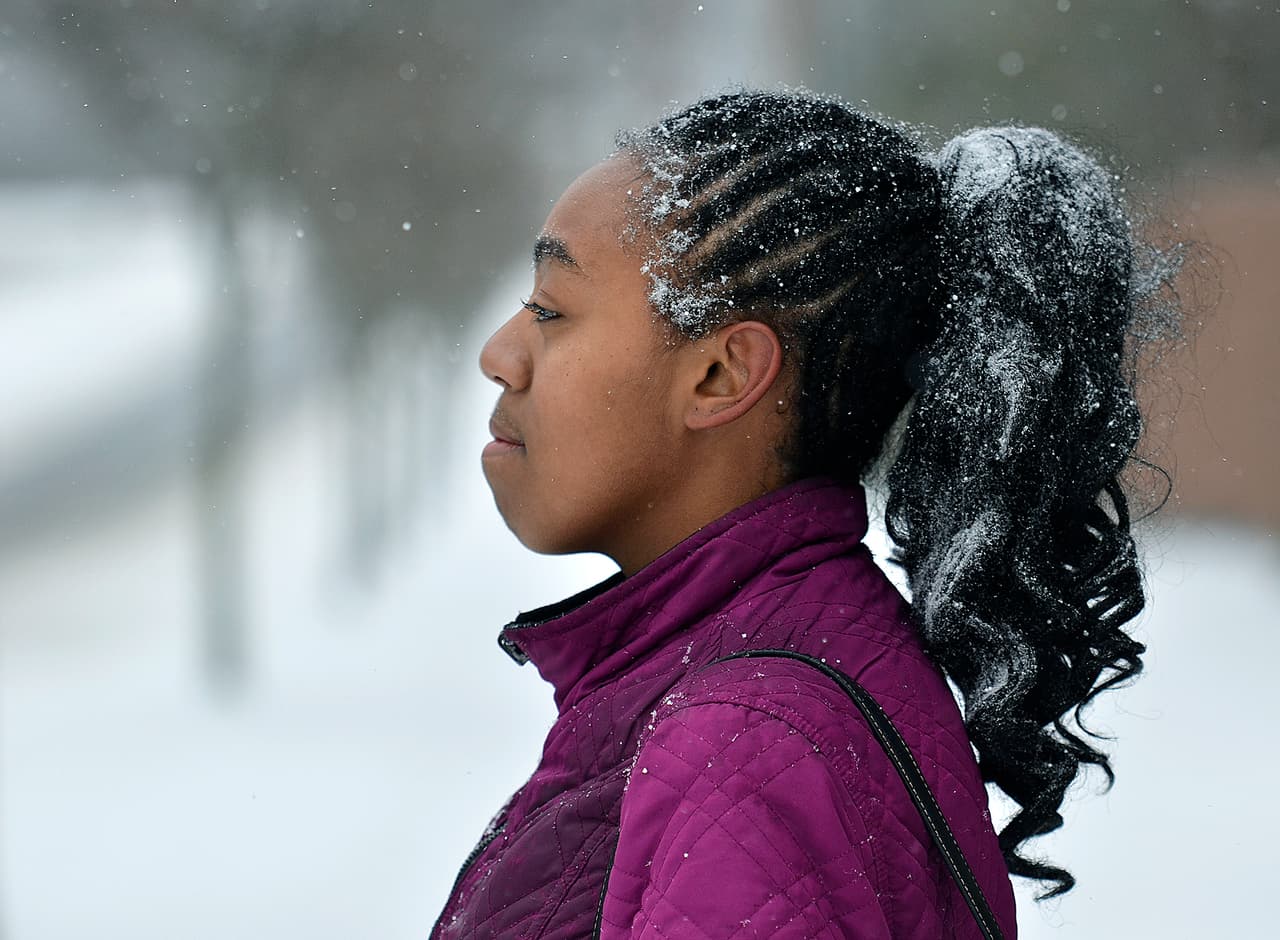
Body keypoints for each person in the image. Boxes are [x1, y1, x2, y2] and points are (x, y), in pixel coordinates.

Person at [431, 90, 1174, 939]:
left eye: (551, 310)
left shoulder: (749, 742)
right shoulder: (749, 690)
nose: (499, 355)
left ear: (721, 376)